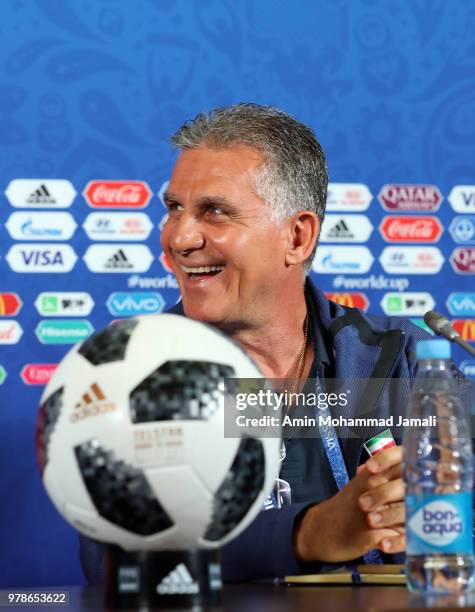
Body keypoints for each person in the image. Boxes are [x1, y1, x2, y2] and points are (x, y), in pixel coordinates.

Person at [80, 103, 431, 583]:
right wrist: (311, 533)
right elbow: (122, 558)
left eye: (215, 212)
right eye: (174, 209)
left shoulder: (403, 362)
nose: (179, 238)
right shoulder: (132, 375)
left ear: (298, 236)